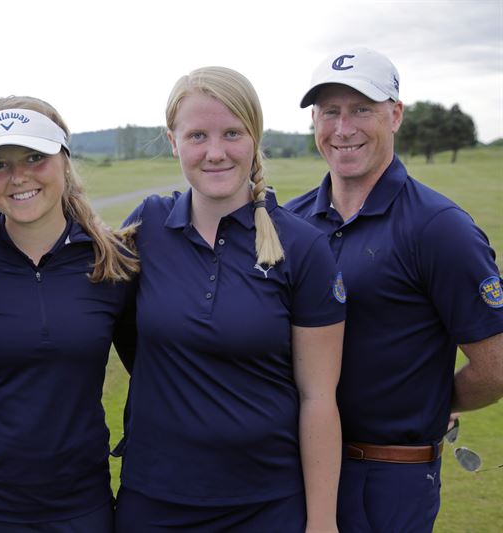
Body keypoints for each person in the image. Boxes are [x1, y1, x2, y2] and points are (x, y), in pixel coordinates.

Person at [113, 66, 346, 532]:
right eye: (197, 135)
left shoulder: (303, 247)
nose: (215, 152)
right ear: (174, 142)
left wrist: (322, 522)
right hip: (154, 499)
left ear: (254, 137)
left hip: (266, 504)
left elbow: (318, 397)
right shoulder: (147, 227)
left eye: (232, 134)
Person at [286, 47, 503, 532]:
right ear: (314, 122)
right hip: (290, 466)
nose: (343, 128)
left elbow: (496, 367)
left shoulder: (439, 228)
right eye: (330, 112)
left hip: (388, 477)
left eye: (362, 109)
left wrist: (437, 401)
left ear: (396, 115)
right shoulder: (290, 222)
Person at [0, 96, 139, 532]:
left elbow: (152, 373)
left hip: (80, 503)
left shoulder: (113, 262)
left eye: (34, 157)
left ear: (64, 161)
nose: (18, 176)